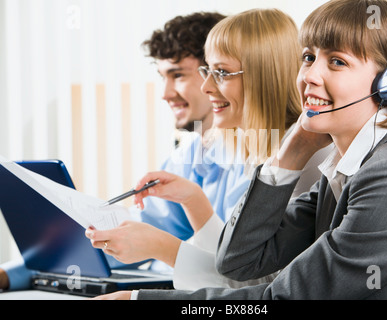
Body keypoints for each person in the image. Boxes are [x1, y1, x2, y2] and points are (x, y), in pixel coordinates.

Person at [96, 0, 387, 299]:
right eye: (309, 57)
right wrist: (291, 151)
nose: (309, 75)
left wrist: (140, 299)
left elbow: (282, 297)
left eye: (337, 61)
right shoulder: (345, 171)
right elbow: (237, 261)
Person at [0, 11, 250, 291]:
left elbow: (241, 277)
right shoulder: (190, 154)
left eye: (177, 75)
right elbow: (130, 235)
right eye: (162, 77)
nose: (165, 93)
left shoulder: (258, 157)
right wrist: (12, 274)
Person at [86, 8, 332, 292]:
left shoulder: (304, 157)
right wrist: (193, 200)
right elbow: (232, 265)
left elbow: (262, 286)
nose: (206, 87)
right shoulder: (230, 143)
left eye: (222, 73)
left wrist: (162, 247)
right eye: (207, 72)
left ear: (262, 76)